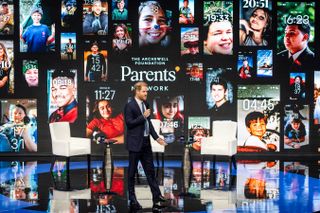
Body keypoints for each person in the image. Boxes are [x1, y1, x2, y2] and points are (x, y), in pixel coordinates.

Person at [124, 81, 167, 211]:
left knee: (150, 171)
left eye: (146, 91)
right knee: (131, 173)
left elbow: (149, 125)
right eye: (143, 91)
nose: (146, 93)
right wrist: (143, 117)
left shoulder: (146, 104)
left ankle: (157, 196)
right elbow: (129, 123)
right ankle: (132, 198)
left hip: (146, 143)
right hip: (135, 144)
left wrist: (157, 138)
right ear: (137, 91)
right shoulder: (130, 106)